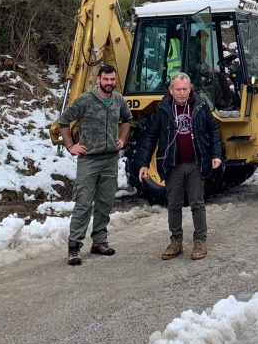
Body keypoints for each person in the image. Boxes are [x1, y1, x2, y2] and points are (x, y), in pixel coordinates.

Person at [137, 72, 223, 261]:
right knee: (173, 205)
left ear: (190, 89)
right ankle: (176, 241)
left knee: (197, 203)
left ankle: (200, 241)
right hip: (173, 164)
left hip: (196, 163)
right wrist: (144, 163)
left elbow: (213, 130)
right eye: (178, 89)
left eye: (185, 89)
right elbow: (151, 136)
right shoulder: (162, 108)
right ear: (171, 90)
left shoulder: (200, 106)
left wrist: (216, 154)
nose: (182, 93)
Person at [57, 64, 133, 266]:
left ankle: (99, 241)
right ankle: (74, 248)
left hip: (110, 160)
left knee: (105, 202)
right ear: (98, 79)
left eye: (112, 80)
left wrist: (122, 138)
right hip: (89, 160)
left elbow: (127, 119)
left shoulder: (118, 100)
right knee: (83, 203)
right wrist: (71, 145)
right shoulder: (85, 100)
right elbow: (63, 121)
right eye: (106, 79)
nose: (109, 83)